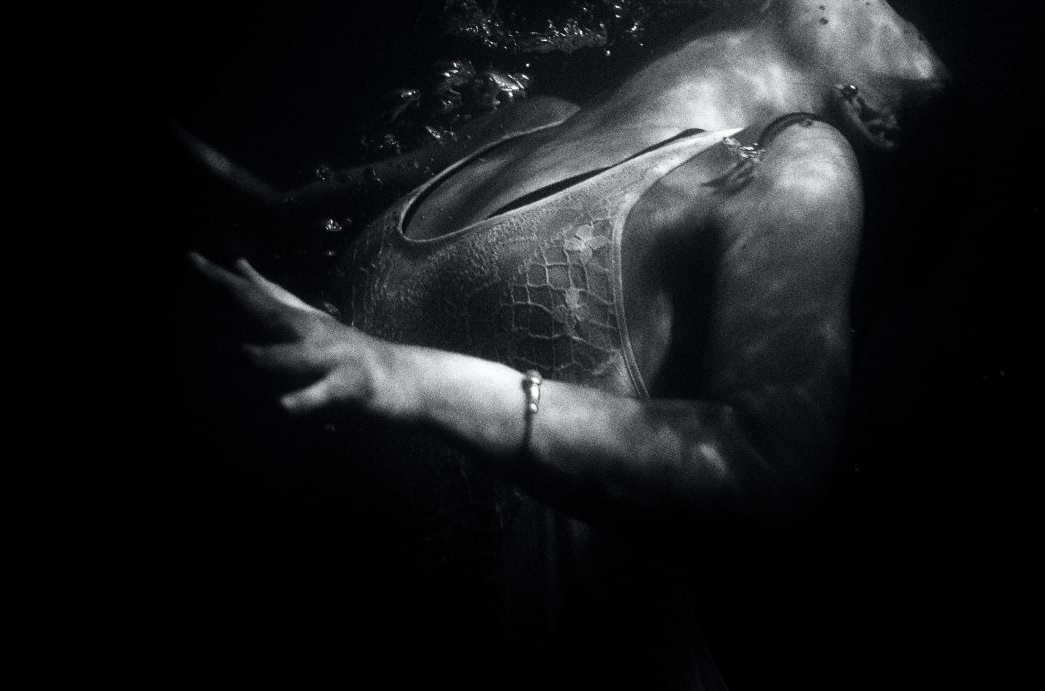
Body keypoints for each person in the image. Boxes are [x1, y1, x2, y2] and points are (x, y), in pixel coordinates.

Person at [188, 0, 949, 687]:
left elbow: (764, 465)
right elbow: (278, 220)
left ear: (874, 114)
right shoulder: (531, 119)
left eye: (906, 20)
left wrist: (403, 378)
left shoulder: (794, 163)